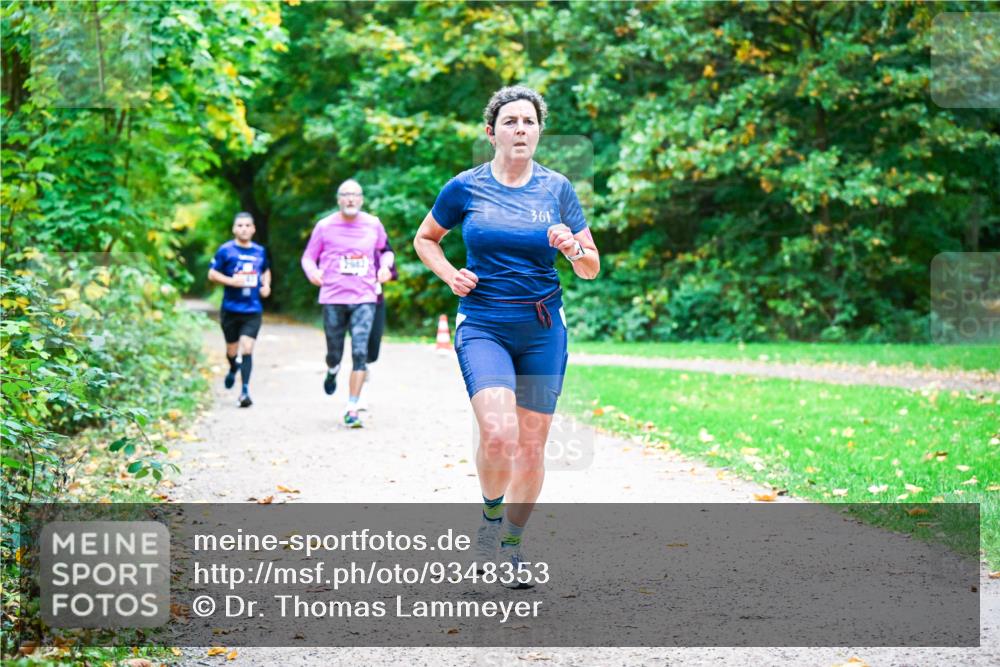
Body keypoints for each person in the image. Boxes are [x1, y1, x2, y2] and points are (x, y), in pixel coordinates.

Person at [413, 85, 600, 586]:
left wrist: (572, 250)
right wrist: (450, 274)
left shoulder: (557, 189)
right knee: (498, 435)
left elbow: (591, 268)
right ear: (491, 132)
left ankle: (513, 545)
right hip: (484, 325)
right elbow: (425, 238)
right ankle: (490, 521)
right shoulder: (465, 188)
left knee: (532, 446)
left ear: (539, 131)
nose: (522, 129)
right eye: (511, 121)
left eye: (530, 122)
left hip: (541, 329)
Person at [301, 179, 394, 428]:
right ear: (338, 199)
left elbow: (386, 250)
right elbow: (309, 257)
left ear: (362, 199)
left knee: (360, 351)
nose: (351, 199)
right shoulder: (325, 226)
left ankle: (352, 407)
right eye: (346, 195)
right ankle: (332, 370)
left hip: (364, 297)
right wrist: (312, 272)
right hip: (333, 297)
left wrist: (385, 266)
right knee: (334, 352)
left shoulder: (373, 224)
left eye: (355, 195)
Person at [208, 212, 271, 408]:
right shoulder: (225, 250)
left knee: (247, 348)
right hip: (230, 309)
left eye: (247, 225)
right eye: (240, 225)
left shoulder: (260, 251)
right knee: (232, 350)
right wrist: (231, 281)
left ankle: (244, 392)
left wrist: (266, 286)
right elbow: (212, 274)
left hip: (252, 309)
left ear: (253, 229)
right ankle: (232, 367)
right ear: (234, 229)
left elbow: (266, 271)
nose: (244, 229)